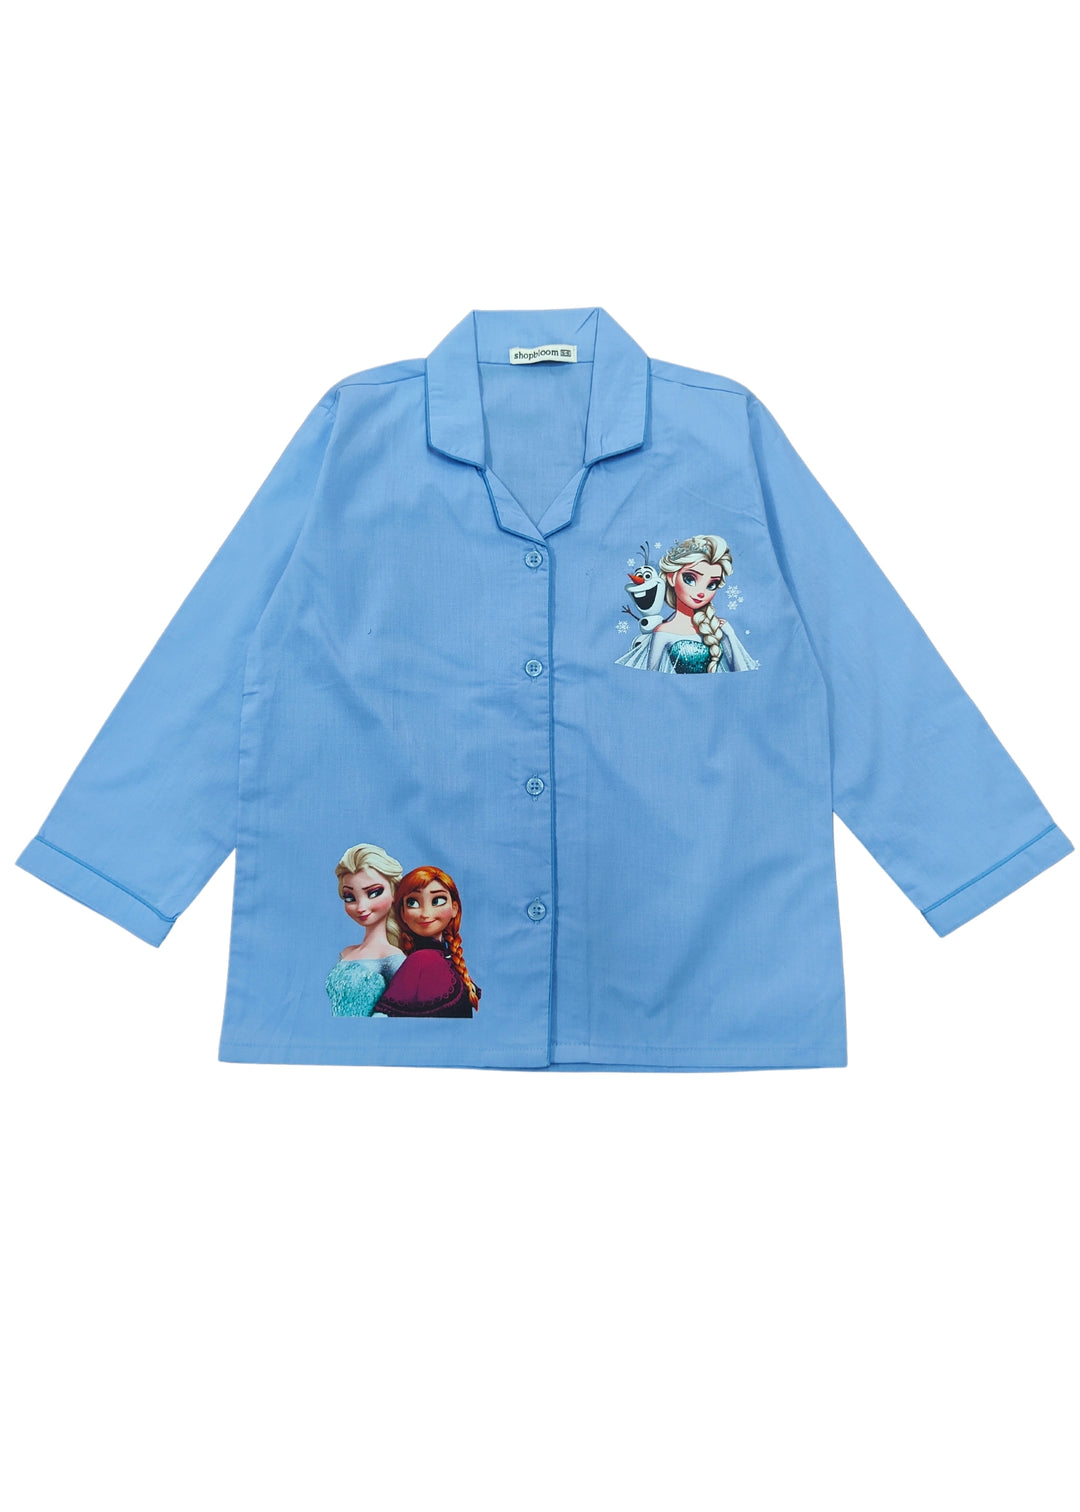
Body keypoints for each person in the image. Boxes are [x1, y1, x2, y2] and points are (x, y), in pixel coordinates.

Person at [615, 534, 760, 673]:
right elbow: (651, 677)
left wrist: (729, 634)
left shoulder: (719, 628)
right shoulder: (662, 632)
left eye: (712, 584)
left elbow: (743, 673)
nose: (701, 592)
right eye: (690, 579)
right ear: (671, 578)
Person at [375, 867, 482, 1018]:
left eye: (437, 901)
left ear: (454, 908)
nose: (425, 913)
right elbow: (380, 1018)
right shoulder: (420, 960)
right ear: (403, 913)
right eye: (412, 902)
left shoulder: (449, 958)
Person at [324, 843, 406, 1017]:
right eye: (350, 897)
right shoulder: (345, 953)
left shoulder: (392, 958)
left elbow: (403, 1011)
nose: (361, 907)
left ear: (394, 892)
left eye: (373, 893)